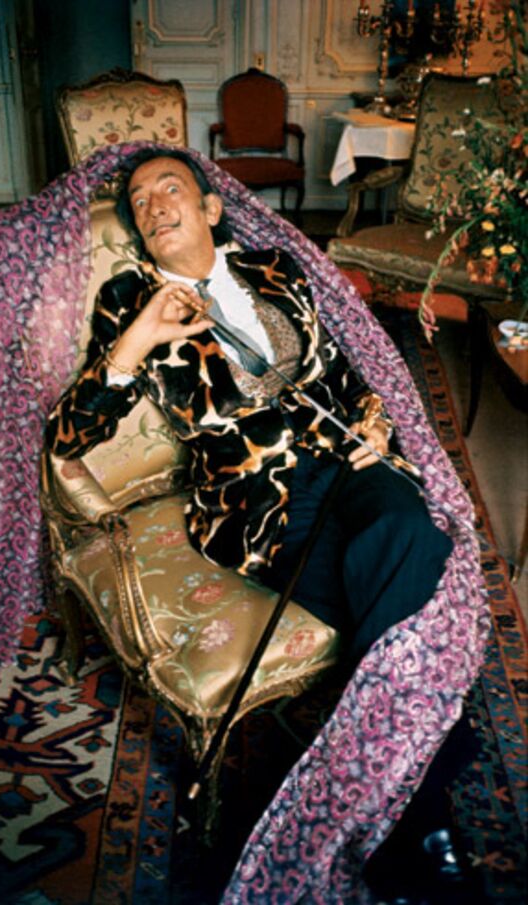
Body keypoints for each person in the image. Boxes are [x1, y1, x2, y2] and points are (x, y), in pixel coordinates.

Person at [45, 148, 476, 903]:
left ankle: (391, 813)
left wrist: (372, 421)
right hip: (259, 509)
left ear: (212, 209)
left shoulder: (276, 269)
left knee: (409, 532)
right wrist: (138, 339)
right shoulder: (129, 299)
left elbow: (340, 370)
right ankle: (422, 820)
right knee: (407, 578)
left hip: (349, 465)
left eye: (171, 188)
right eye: (140, 200)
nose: (154, 205)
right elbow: (67, 437)